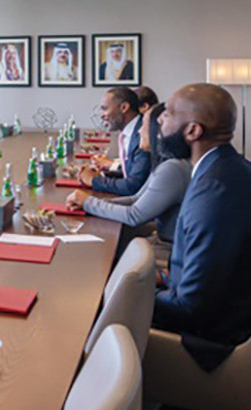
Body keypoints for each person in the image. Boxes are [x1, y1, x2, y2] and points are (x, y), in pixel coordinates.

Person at [152, 83, 251, 368]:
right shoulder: (229, 168)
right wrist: (160, 279)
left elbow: (192, 309)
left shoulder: (215, 191)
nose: (159, 120)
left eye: (168, 113)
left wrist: (121, 294)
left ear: (193, 131)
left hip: (210, 347)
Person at [66, 103, 191, 259]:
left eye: (143, 125)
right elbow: (135, 199)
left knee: (98, 252)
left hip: (168, 248)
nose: (139, 131)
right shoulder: (164, 163)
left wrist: (89, 203)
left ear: (158, 131)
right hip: (158, 238)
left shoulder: (172, 168)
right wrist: (91, 204)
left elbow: (134, 215)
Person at [79, 87, 151, 196]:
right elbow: (130, 171)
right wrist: (101, 176)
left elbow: (133, 186)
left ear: (124, 107)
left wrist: (94, 181)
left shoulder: (143, 135)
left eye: (105, 109)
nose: (102, 115)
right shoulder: (130, 131)